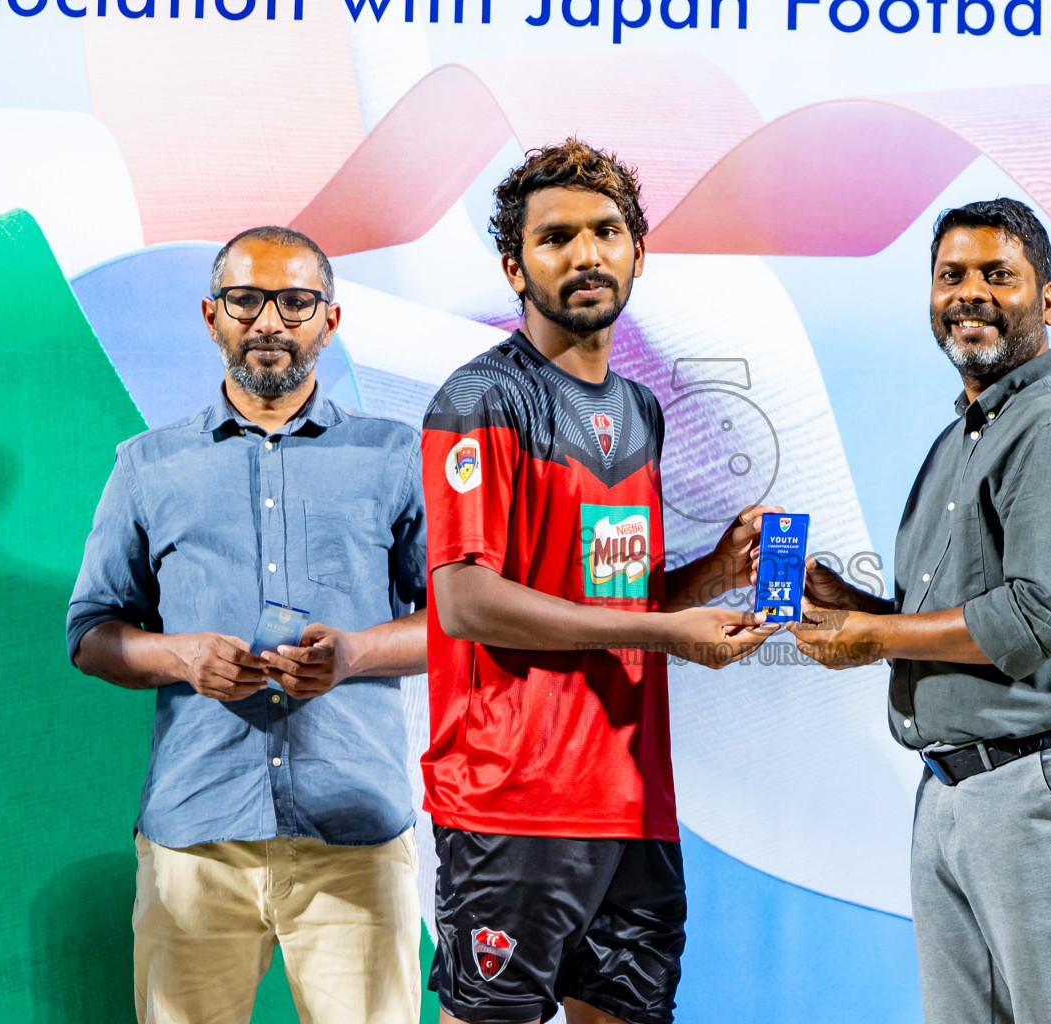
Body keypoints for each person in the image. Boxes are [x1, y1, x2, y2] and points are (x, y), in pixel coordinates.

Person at [421, 139, 777, 1024]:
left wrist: (710, 578)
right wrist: (665, 634)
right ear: (515, 265)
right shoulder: (481, 400)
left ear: (637, 253)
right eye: (556, 238)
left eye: (607, 232)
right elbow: (464, 600)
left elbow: (613, 597)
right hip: (513, 805)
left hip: (633, 805)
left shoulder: (641, 410)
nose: (586, 255)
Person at [790, 198, 1051, 1023]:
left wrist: (875, 635)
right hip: (953, 787)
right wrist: (863, 609)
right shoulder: (965, 437)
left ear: (1045, 301)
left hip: (1039, 781)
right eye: (952, 276)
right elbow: (955, 615)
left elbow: (1035, 618)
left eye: (998, 275)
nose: (971, 293)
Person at [67, 226, 428, 1024]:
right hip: (195, 834)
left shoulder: (397, 456)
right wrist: (178, 656)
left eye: (296, 301)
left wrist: (358, 653)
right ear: (211, 315)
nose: (271, 320)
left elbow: (459, 622)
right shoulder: (145, 465)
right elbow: (91, 631)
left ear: (329, 321)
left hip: (354, 833)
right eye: (246, 300)